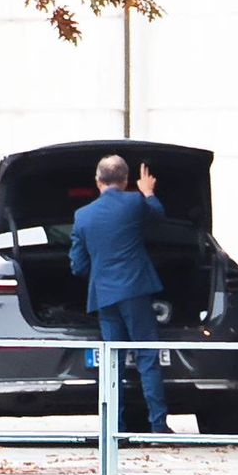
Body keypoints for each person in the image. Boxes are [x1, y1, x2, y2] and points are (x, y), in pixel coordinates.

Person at [69, 155, 172, 434]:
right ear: (126, 180)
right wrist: (148, 191)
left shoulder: (82, 215)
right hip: (135, 291)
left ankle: (115, 428)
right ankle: (158, 426)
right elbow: (158, 216)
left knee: (112, 363)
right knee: (146, 357)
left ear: (97, 180)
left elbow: (77, 264)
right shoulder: (134, 201)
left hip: (104, 296)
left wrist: (101, 277)